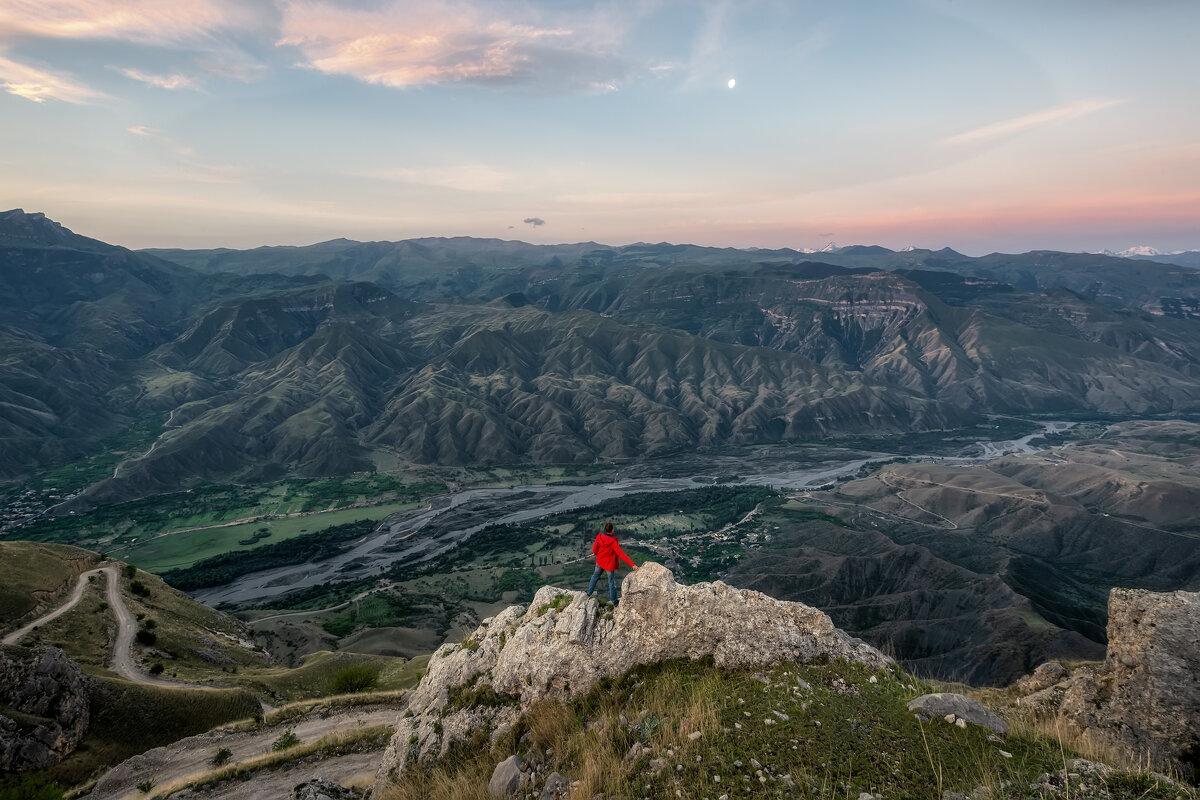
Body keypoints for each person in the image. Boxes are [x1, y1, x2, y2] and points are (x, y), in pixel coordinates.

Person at [587, 521, 637, 605]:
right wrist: (632, 564)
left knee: (595, 576)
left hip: (600, 562)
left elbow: (594, 550)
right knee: (611, 583)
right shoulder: (613, 542)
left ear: (605, 530)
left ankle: (588, 592)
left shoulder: (599, 537)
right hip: (609, 565)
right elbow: (621, 554)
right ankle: (614, 602)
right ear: (612, 530)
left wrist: (598, 555)